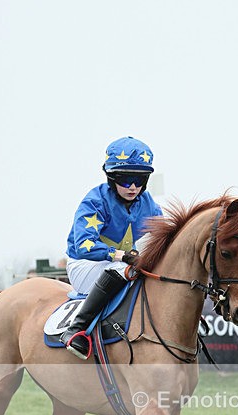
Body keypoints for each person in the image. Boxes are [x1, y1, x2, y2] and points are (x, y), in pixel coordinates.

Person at [59, 136, 163, 358]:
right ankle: (76, 330)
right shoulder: (95, 201)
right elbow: (85, 245)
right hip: (85, 263)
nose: (133, 187)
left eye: (140, 180)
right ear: (112, 177)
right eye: (125, 180)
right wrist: (121, 256)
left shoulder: (148, 204)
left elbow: (164, 236)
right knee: (120, 270)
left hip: (123, 262)